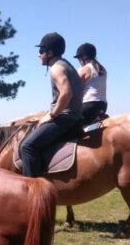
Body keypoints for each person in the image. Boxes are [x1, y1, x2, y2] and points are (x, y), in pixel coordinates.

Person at [19, 32, 83, 178]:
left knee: (27, 146)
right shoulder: (68, 65)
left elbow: (66, 93)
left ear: (50, 52)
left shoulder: (56, 68)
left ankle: (33, 190)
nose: (38, 55)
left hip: (65, 118)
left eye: (41, 51)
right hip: (77, 117)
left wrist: (52, 115)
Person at [74, 42, 107, 125]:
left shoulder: (84, 69)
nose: (79, 61)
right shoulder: (102, 69)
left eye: (79, 58)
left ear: (84, 57)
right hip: (103, 105)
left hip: (88, 105)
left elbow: (74, 92)